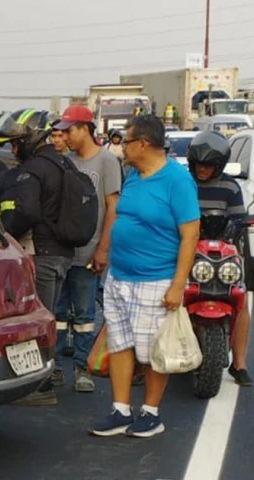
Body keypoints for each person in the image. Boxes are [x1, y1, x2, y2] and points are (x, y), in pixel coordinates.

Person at [90, 115, 199, 438]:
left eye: (126, 140)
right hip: (120, 275)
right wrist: (106, 252)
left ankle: (150, 412)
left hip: (157, 278)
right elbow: (122, 216)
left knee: (154, 349)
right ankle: (120, 409)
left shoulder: (177, 180)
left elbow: (190, 234)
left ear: (143, 144)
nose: (121, 146)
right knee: (121, 343)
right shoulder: (133, 175)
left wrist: (178, 284)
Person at [0, 111, 78, 406]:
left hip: (40, 253)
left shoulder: (34, 169)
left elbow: (24, 211)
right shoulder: (64, 162)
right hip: (63, 254)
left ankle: (40, 387)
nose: (14, 150)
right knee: (49, 315)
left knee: (37, 323)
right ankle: (50, 376)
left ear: (32, 137)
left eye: (17, 143)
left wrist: (5, 236)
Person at [51, 105, 122, 392]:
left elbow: (113, 208)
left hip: (89, 253)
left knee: (83, 315)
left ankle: (82, 367)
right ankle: (53, 367)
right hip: (61, 252)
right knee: (56, 314)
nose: (65, 136)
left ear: (85, 129)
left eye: (69, 130)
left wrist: (103, 249)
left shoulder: (106, 162)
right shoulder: (64, 161)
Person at [188, 132, 251, 386]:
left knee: (241, 299)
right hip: (186, 252)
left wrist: (235, 228)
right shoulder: (183, 182)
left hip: (221, 255)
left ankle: (240, 364)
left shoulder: (231, 187)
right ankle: (146, 362)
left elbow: (239, 219)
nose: (203, 170)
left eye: (209, 165)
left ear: (220, 165)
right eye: (199, 164)